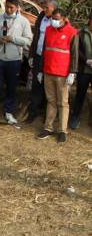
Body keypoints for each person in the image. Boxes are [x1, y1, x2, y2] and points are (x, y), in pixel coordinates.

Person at [37, 8, 79, 143]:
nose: (54, 21)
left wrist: (73, 72)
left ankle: (62, 130)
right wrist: (40, 70)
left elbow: (75, 55)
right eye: (52, 19)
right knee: (51, 101)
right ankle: (48, 128)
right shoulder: (49, 30)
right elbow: (45, 50)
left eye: (57, 19)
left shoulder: (72, 33)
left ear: (64, 19)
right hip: (48, 71)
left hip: (63, 74)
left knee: (63, 103)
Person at [26, 0, 58, 123]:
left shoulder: (57, 21)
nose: (44, 9)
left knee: (49, 86)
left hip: (50, 58)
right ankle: (33, 111)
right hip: (38, 56)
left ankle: (47, 113)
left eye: (47, 8)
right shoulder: (41, 17)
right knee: (36, 84)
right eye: (44, 7)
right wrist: (31, 55)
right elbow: (36, 37)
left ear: (54, 9)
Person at [70, 12, 92, 130]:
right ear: (89, 20)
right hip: (84, 69)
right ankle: (75, 117)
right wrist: (86, 60)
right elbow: (77, 49)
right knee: (80, 95)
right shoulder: (82, 33)